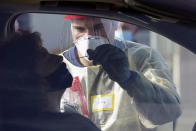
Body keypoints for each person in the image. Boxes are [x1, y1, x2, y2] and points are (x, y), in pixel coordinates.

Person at [60, 15, 182, 131]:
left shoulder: (142, 57)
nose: (89, 36)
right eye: (79, 29)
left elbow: (169, 112)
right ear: (71, 28)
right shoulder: (59, 68)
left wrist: (132, 80)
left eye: (98, 27)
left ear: (114, 25)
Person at [0, 31, 100, 131]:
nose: (60, 58)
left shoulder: (11, 123)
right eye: (46, 58)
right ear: (32, 80)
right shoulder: (77, 126)